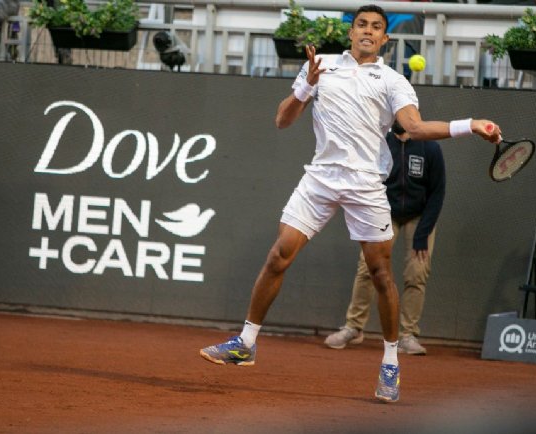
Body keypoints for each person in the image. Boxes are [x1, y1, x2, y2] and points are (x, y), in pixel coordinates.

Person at [198, 4, 501, 403]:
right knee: (278, 256)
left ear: (385, 39)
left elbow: (414, 128)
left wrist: (470, 125)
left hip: (366, 185)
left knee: (380, 274)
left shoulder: (393, 81)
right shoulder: (320, 65)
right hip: (320, 178)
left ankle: (391, 362)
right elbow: (282, 120)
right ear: (351, 31)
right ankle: (246, 342)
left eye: (377, 27)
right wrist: (306, 85)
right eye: (362, 25)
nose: (368, 32)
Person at [324, 121, 444, 356]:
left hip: (420, 217)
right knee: (367, 268)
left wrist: (422, 234)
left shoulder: (429, 146)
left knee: (417, 273)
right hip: (384, 213)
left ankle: (408, 335)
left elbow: (438, 192)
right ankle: (354, 327)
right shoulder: (379, 142)